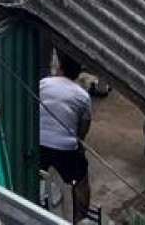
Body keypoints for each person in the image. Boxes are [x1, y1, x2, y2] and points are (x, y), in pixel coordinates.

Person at [38, 53, 93, 224]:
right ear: (78, 73)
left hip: (39, 142)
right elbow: (84, 126)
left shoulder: (44, 83)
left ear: (59, 67)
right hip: (66, 146)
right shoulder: (83, 96)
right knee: (81, 181)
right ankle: (80, 219)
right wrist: (78, 143)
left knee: (36, 173)